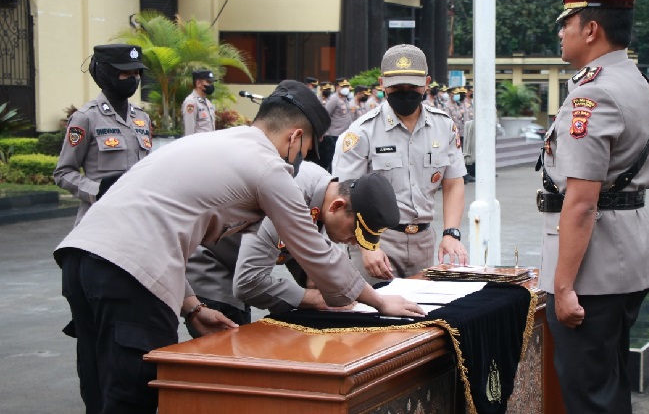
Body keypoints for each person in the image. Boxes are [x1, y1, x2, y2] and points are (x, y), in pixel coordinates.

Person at [55, 79, 424, 414]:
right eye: (307, 149)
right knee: (134, 396)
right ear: (295, 138)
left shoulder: (214, 141)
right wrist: (378, 301)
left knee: (100, 388)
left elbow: (163, 231)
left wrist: (192, 306)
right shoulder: (267, 167)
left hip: (84, 258)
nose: (301, 159)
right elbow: (314, 251)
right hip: (128, 275)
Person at [536, 0, 649, 413]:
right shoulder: (636, 81)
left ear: (590, 29)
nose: (560, 32)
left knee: (589, 393)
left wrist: (564, 284)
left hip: (592, 264)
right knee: (609, 384)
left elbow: (581, 202)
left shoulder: (592, 96)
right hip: (629, 250)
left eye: (566, 23)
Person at [333, 44, 469, 283]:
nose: (405, 92)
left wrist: (451, 233)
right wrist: (366, 246)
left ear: (426, 82)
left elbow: (453, 181)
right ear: (382, 83)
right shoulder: (361, 133)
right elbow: (344, 195)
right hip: (378, 242)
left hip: (425, 242)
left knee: (423, 315)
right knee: (375, 316)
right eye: (396, 87)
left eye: (412, 86)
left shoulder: (444, 126)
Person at [234, 162, 400, 313]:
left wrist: (310, 277)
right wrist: (315, 299)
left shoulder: (325, 191)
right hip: (216, 267)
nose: (354, 242)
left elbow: (297, 241)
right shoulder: (290, 191)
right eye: (354, 233)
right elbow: (249, 283)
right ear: (337, 206)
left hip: (241, 265)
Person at [53, 44, 152, 227]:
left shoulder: (141, 117)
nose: (134, 79)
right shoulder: (86, 117)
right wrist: (98, 191)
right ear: (107, 74)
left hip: (138, 222)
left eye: (137, 74)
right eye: (126, 74)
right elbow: (63, 173)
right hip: (100, 223)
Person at [318, 78, 353, 172]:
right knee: (332, 158)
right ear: (337, 87)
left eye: (347, 86)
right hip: (334, 135)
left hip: (343, 134)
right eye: (343, 86)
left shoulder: (345, 99)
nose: (346, 88)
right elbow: (325, 115)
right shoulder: (334, 99)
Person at [181, 69, 216, 135]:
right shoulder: (191, 102)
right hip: (199, 144)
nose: (211, 85)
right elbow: (189, 131)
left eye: (212, 83)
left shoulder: (207, 102)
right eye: (208, 82)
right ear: (198, 83)